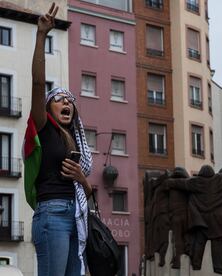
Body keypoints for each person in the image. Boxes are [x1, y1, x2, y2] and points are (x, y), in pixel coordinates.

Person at [23, 3, 93, 276]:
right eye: (59, 100)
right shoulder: (43, 128)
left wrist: (82, 178)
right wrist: (41, 36)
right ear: (48, 108)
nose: (66, 103)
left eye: (70, 101)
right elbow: (39, 84)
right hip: (51, 214)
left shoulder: (76, 141)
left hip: (76, 216)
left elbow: (88, 194)